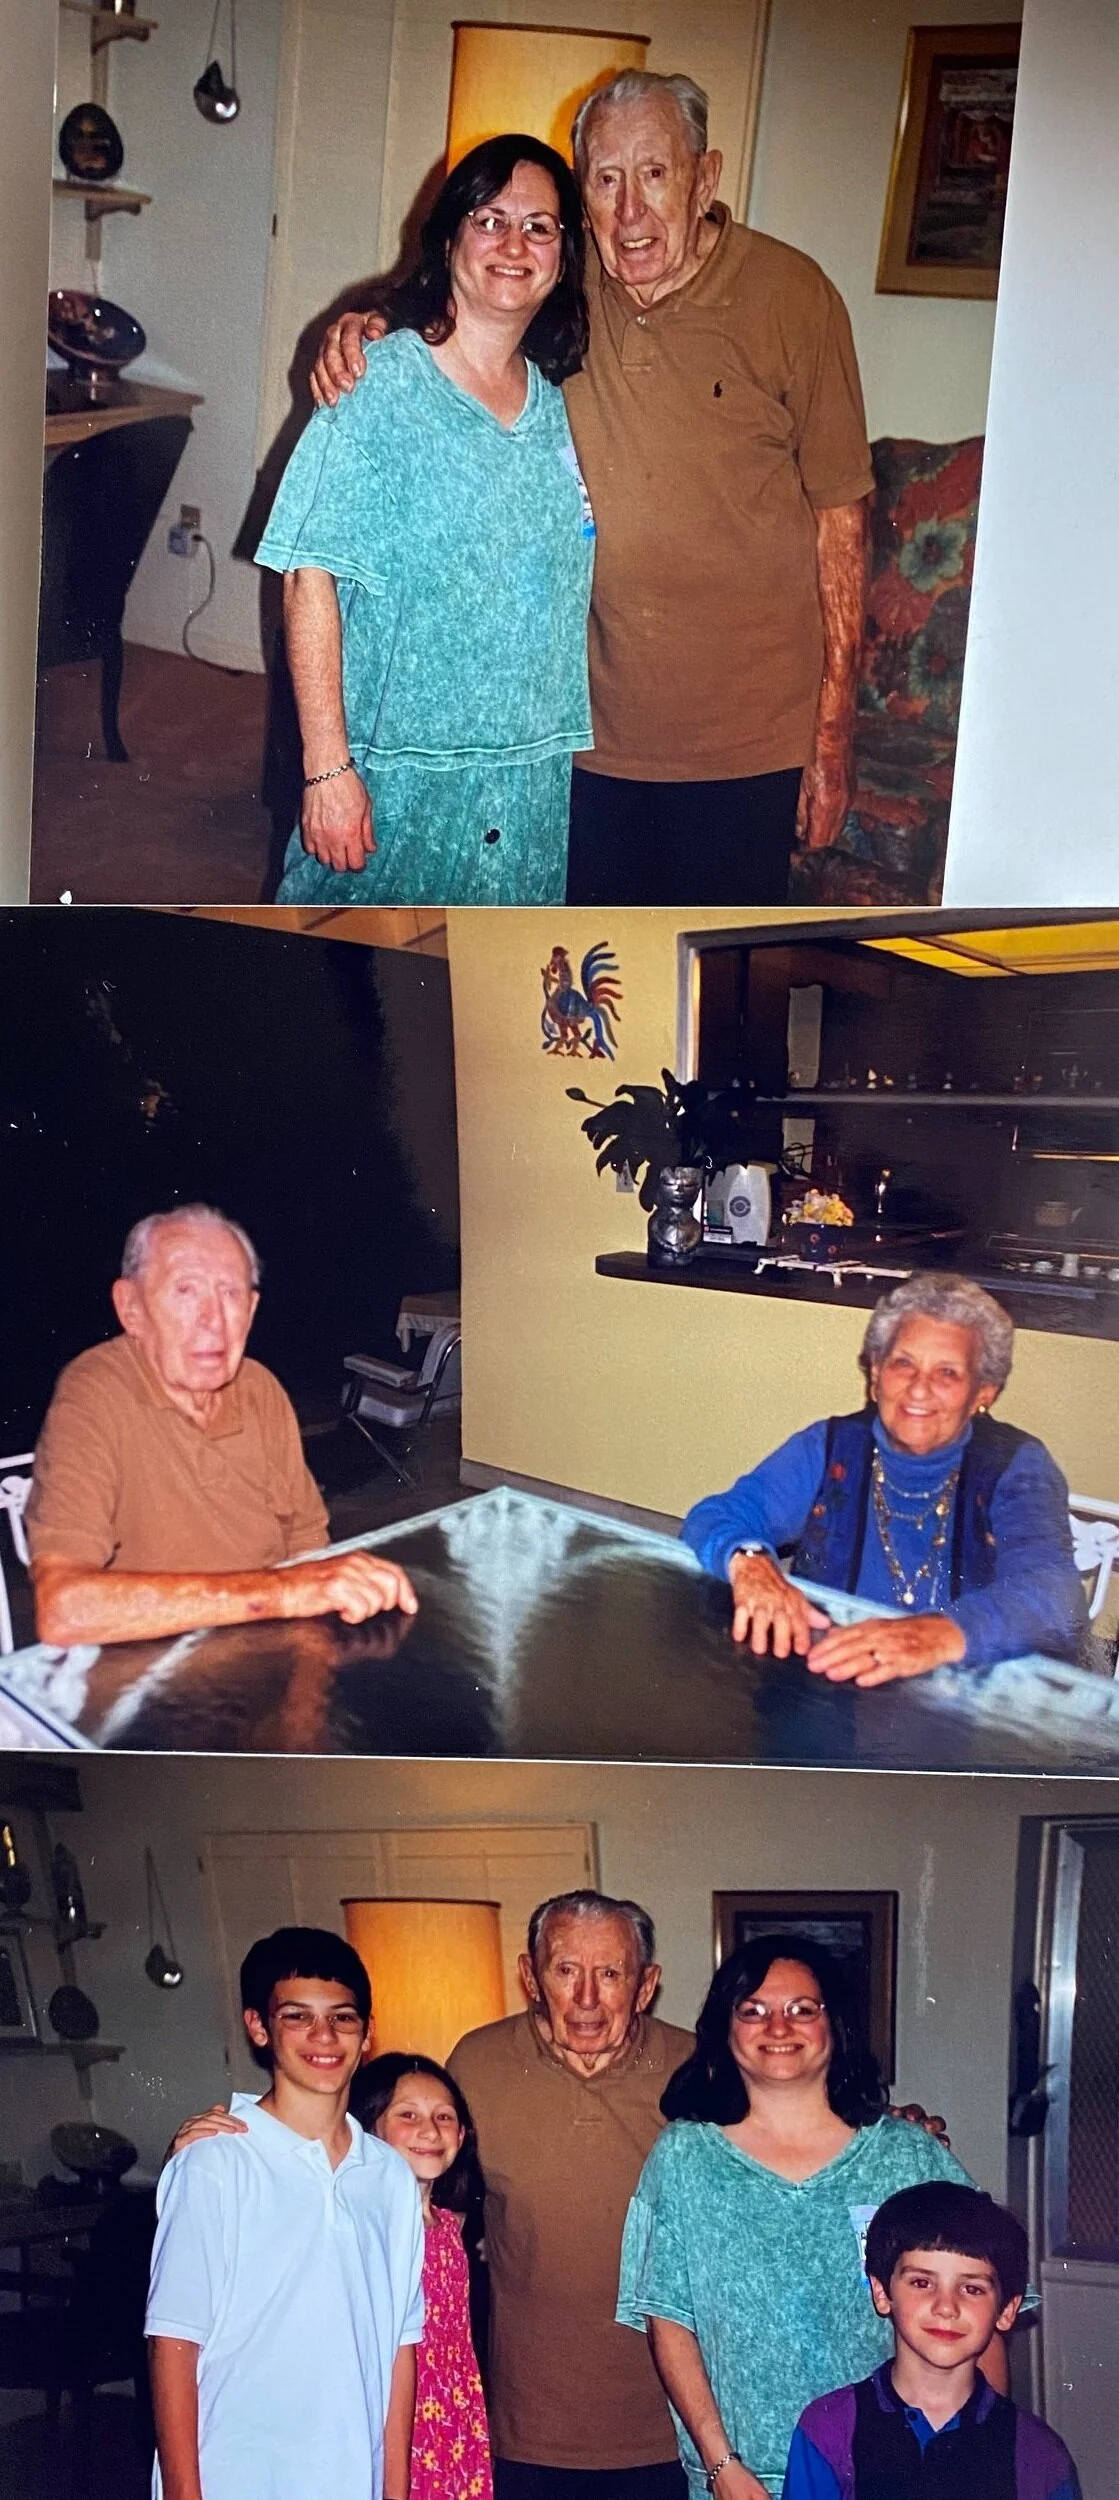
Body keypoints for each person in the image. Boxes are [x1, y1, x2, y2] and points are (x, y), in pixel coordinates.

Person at [314, 71, 873, 907]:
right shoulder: (560, 291)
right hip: (586, 733)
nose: (630, 213)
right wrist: (364, 323)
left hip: (746, 739)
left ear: (705, 178)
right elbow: (458, 303)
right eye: (605, 180)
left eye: (654, 174)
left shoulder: (796, 298)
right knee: (586, 976)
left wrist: (832, 738)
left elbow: (842, 522)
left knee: (714, 985)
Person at [257, 133, 594, 908]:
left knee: (487, 1002)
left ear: (563, 255)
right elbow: (309, 577)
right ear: (447, 240)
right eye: (490, 219)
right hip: (396, 773)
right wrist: (327, 769)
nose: (515, 244)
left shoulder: (555, 408)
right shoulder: (376, 382)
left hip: (526, 782)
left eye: (539, 227)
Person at [616, 1937, 997, 2500]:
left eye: (802, 2009)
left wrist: (984, 2457)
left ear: (833, 2025)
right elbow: (668, 2322)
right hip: (743, 2480)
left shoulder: (908, 2157)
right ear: (726, 2028)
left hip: (898, 2470)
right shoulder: (683, 2159)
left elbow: (982, 2314)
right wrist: (721, 2467)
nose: (778, 2027)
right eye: (754, 2011)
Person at [25, 1205, 416, 1647]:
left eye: (230, 1294)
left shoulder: (260, 1390)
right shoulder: (95, 1393)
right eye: (186, 1291)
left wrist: (305, 1706)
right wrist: (283, 1594)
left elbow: (307, 1546)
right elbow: (65, 1610)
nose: (213, 1319)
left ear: (250, 1311)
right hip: (147, 1673)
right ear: (130, 1307)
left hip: (265, 1651)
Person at [681, 1273, 1086, 1685]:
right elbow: (717, 1515)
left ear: (983, 1392)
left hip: (957, 1705)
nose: (919, 1389)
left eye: (947, 1373)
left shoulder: (1017, 1466)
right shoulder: (830, 1447)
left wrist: (935, 1636)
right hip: (828, 1687)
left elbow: (1054, 1592)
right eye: (903, 1363)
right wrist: (751, 1563)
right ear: (876, 1375)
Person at [146, 1926, 425, 2500]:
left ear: (368, 2032)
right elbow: (173, 2341)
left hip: (351, 2474)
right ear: (258, 2026)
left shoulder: (389, 2175)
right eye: (298, 2016)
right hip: (237, 2473)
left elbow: (401, 2346)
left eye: (343, 2018)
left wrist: (394, 2490)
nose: (324, 2036)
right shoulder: (216, 2164)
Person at [782, 2181, 1081, 2499]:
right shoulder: (829, 2428)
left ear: (1007, 2310)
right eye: (922, 2282)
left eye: (972, 2288)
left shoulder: (1039, 2454)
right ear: (882, 2293)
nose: (946, 2307)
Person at [352, 2052, 493, 2500]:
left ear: (463, 2133)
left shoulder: (451, 2225)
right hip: (394, 2421)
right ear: (369, 2128)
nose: (429, 2131)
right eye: (407, 2115)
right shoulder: (359, 2227)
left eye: (444, 2116)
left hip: (454, 2418)